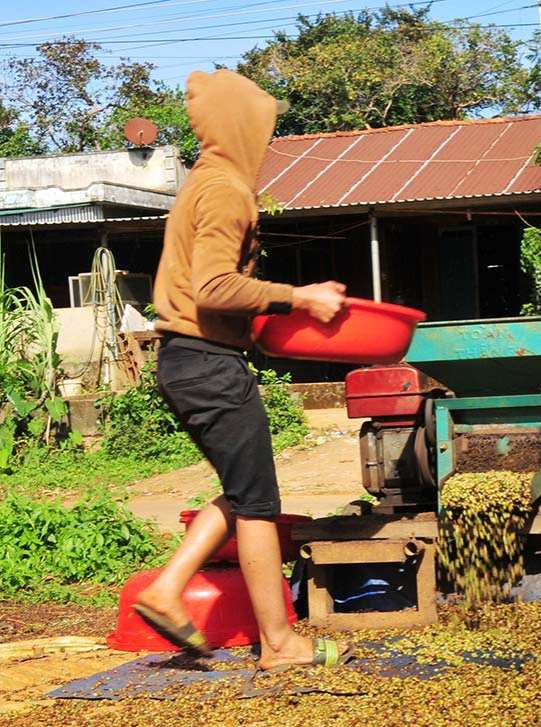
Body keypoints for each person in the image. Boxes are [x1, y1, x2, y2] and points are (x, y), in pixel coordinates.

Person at [133, 69, 350, 670]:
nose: (267, 138)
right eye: (264, 127)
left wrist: (273, 327)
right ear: (242, 125)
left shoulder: (205, 180)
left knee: (244, 489)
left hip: (190, 359)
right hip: (205, 362)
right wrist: (297, 297)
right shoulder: (227, 189)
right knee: (259, 505)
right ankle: (280, 644)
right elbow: (212, 287)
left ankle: (167, 587)